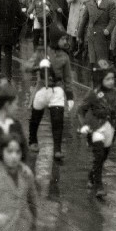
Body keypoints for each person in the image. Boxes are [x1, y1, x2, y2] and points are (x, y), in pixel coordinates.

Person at [76, 62, 116, 199]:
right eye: (107, 79)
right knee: (98, 156)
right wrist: (83, 125)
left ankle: (92, 175)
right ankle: (99, 186)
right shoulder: (93, 93)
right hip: (96, 128)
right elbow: (81, 110)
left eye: (112, 78)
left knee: (103, 157)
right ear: (101, 80)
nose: (111, 81)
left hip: (111, 128)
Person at [26, 25, 72, 162]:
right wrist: (39, 66)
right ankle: (32, 140)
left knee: (58, 120)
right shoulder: (41, 52)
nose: (65, 42)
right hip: (41, 88)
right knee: (35, 118)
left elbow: (68, 78)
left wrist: (70, 96)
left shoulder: (65, 57)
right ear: (55, 39)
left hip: (57, 90)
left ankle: (57, 149)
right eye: (63, 39)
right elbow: (27, 67)